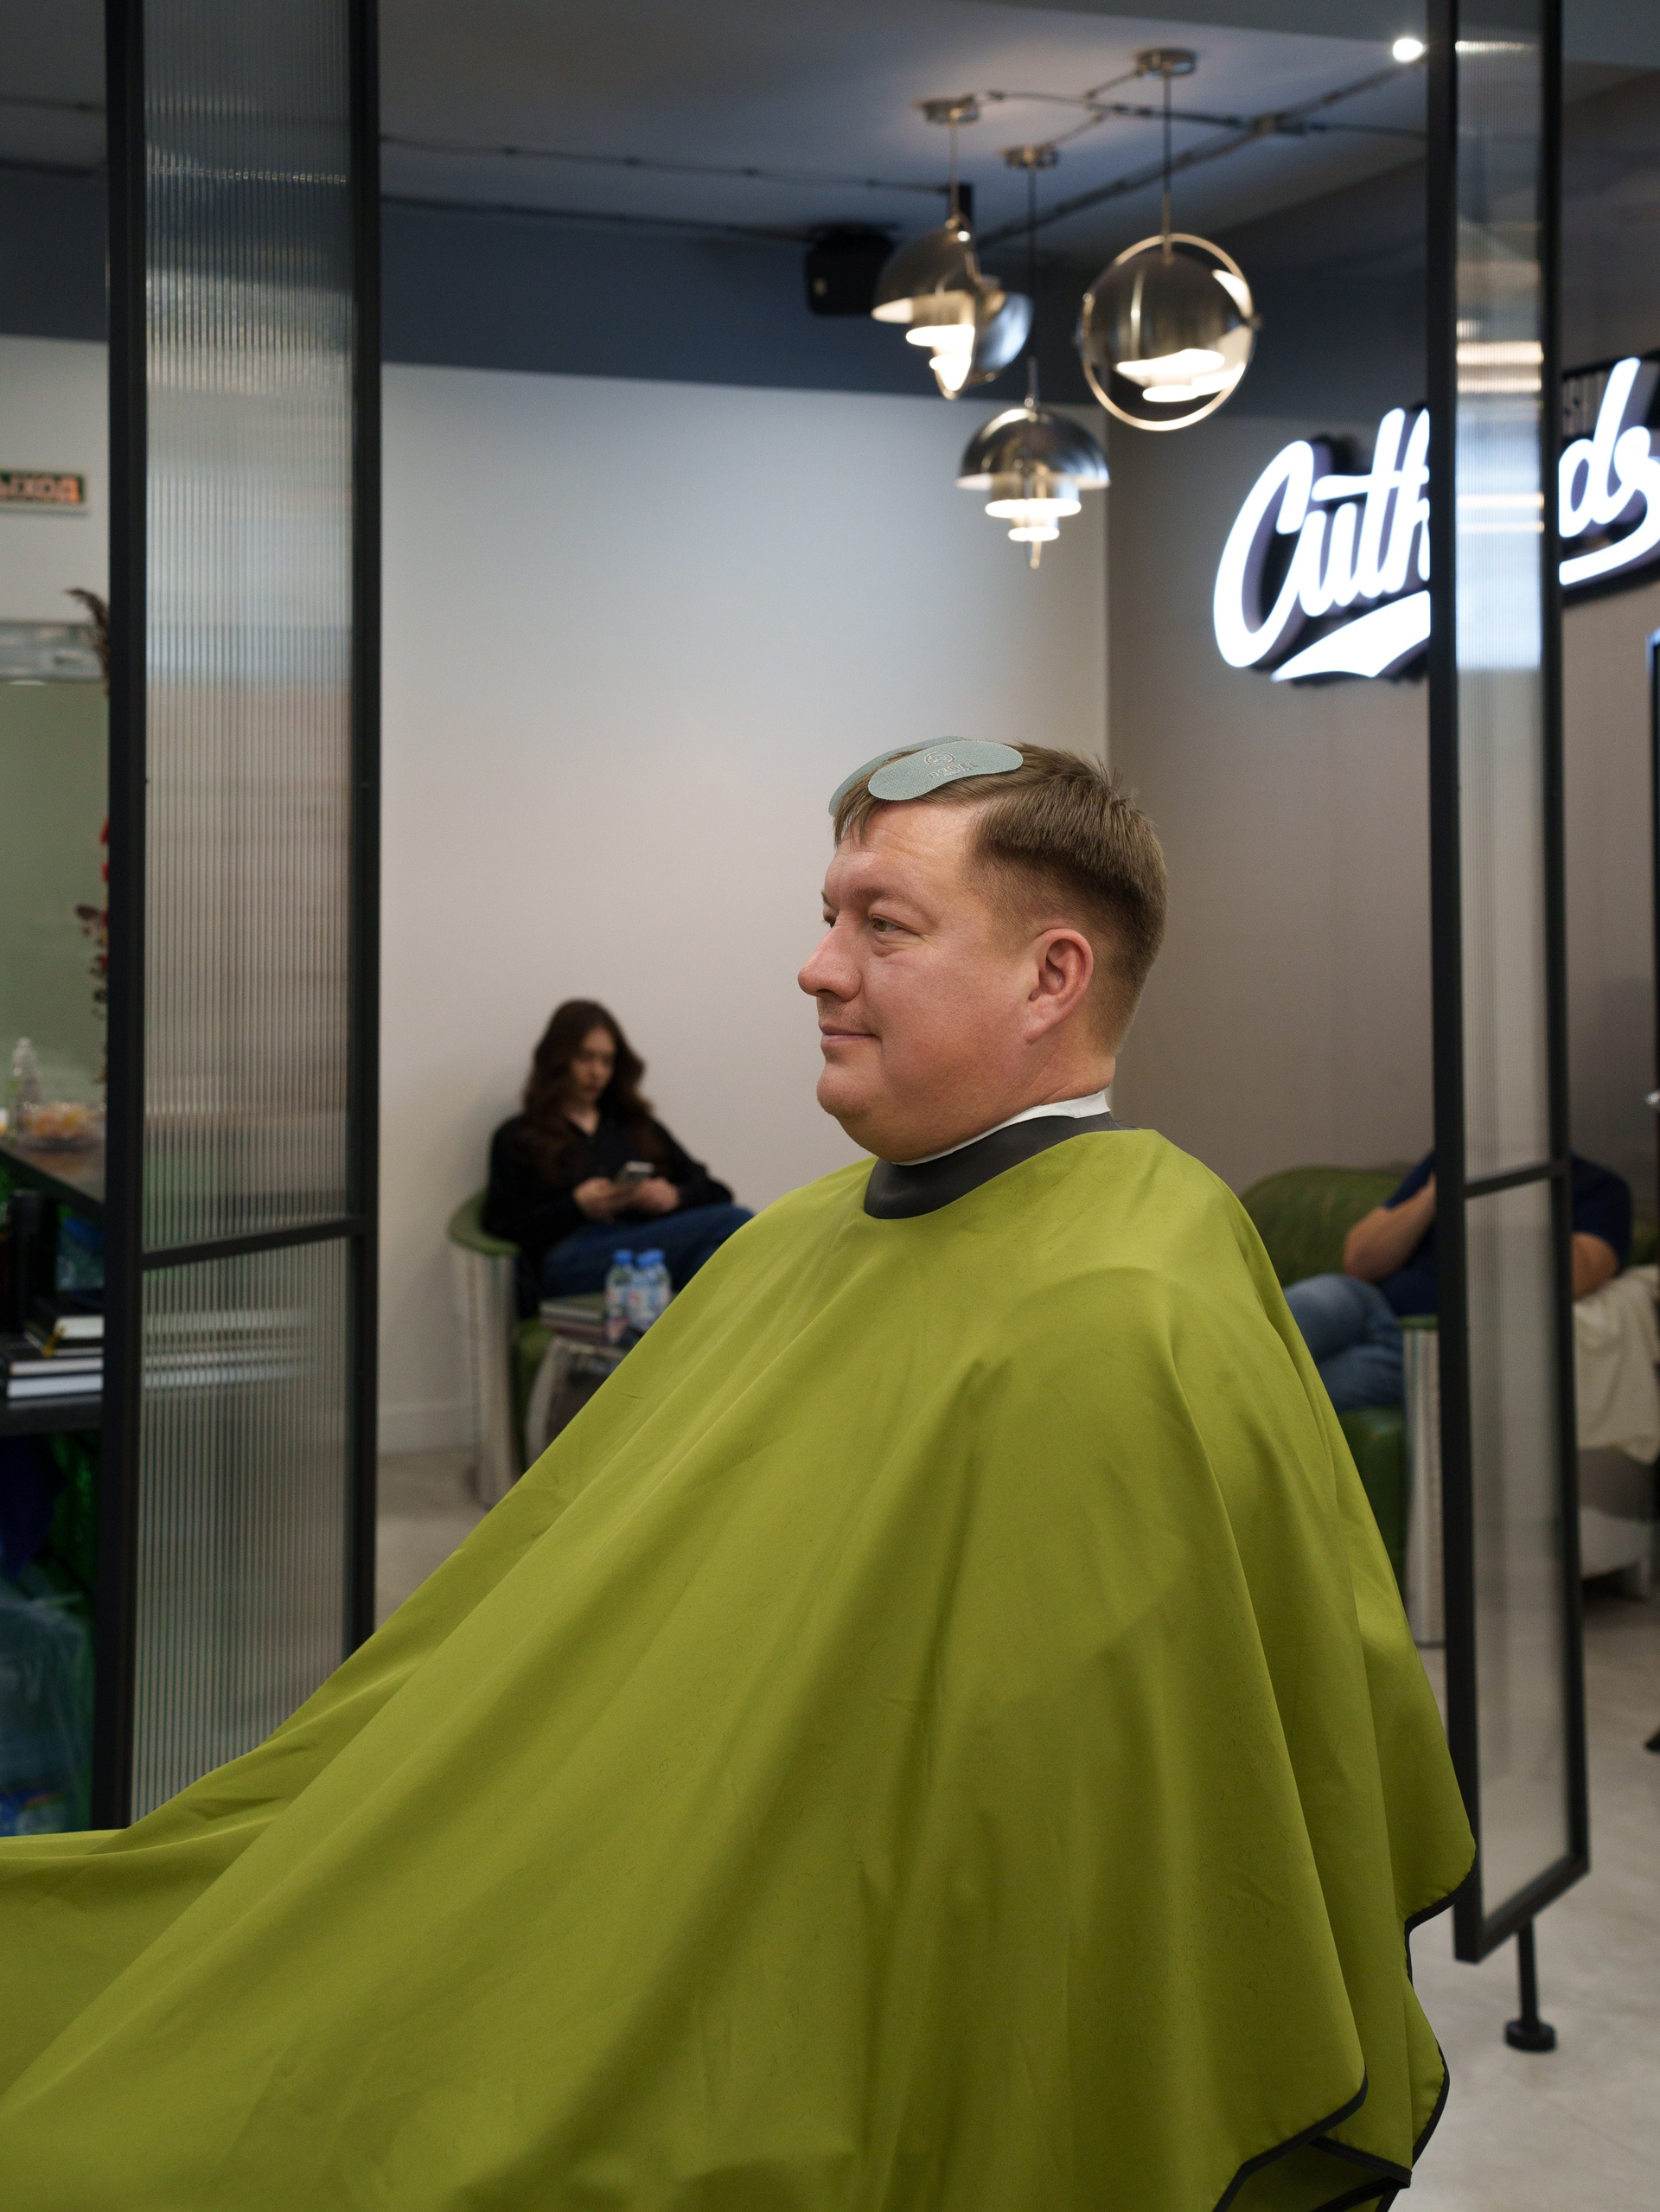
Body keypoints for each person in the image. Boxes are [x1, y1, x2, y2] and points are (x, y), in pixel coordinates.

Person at [0, 740, 1472, 2212]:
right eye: (830, 915)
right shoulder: (796, 1238)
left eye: (883, 924)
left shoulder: (1121, 1311)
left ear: (1051, 977)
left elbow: (1055, 1878)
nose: (817, 967)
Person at [1286, 1149, 1632, 1413]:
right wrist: (1434, 1195)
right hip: (1368, 1300)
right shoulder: (1454, 1158)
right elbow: (1358, 1262)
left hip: (1436, 1344)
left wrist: (1523, 1189)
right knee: (1279, 1322)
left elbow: (1573, 1278)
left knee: (1292, 1394)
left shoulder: (1600, 1189)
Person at [482, 998, 751, 1307]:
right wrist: (576, 1206)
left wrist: (675, 1196)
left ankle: (680, 1336)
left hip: (642, 1251)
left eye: (607, 1061)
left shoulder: (633, 1125)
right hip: (566, 1262)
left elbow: (716, 1191)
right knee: (737, 1221)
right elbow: (501, 1226)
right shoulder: (518, 1136)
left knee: (711, 1260)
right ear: (559, 1059)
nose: (597, 1072)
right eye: (585, 1058)